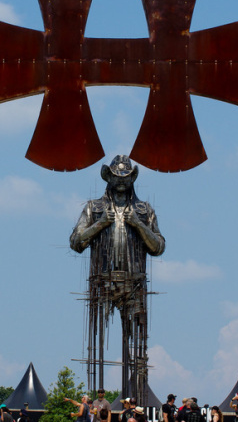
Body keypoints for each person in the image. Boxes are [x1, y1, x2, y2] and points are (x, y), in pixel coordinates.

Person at [71, 156, 165, 404]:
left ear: (132, 178)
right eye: (116, 177)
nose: (121, 182)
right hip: (103, 281)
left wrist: (139, 225)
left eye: (125, 177)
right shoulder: (95, 208)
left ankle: (138, 402)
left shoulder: (144, 211)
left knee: (137, 350)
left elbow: (158, 246)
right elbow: (76, 242)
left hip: (134, 283)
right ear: (108, 178)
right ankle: (96, 404)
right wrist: (100, 224)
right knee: (97, 347)